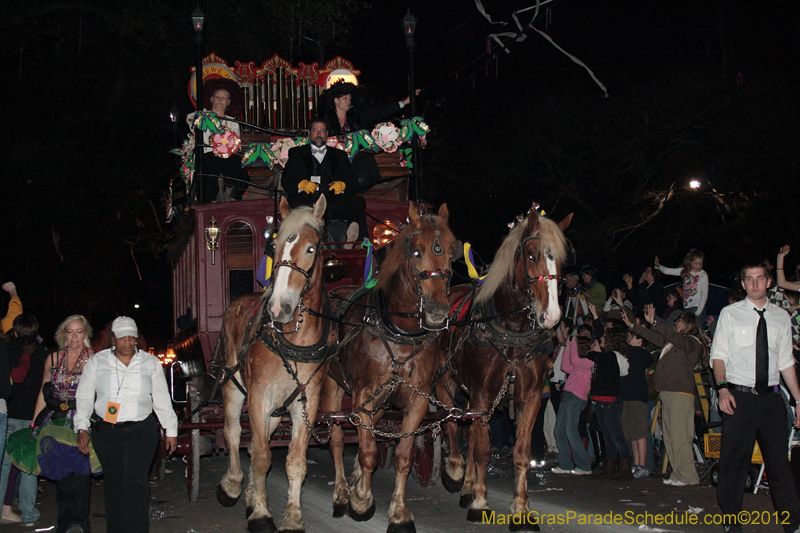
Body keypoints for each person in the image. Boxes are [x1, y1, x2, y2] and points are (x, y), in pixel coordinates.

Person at [710, 263, 800, 533]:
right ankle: (731, 521)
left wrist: (798, 399)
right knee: (734, 462)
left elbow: (786, 361)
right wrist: (722, 388)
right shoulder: (730, 314)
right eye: (749, 279)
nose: (755, 283)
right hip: (739, 397)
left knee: (778, 464)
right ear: (743, 284)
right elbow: (718, 356)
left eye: (760, 278)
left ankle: (793, 523)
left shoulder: (781, 317)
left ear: (769, 282)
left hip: (772, 401)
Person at [74, 317, 178, 533]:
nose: (127, 343)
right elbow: (84, 397)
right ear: (114, 338)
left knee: (137, 484)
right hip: (107, 432)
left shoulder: (150, 362)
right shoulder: (98, 362)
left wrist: (171, 430)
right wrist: (82, 428)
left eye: (131, 338)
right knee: (115, 484)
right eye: (122, 338)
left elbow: (161, 398)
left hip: (141, 431)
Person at [625, 304, 704, 486]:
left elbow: (671, 336)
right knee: (669, 436)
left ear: (688, 324)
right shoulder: (673, 343)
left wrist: (655, 322)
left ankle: (689, 476)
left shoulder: (692, 342)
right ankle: (678, 473)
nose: (675, 323)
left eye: (679, 321)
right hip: (667, 393)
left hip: (680, 394)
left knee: (680, 436)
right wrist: (633, 327)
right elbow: (654, 336)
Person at [31, 315, 95, 533]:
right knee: (62, 474)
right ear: (63, 334)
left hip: (83, 420)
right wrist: (35, 421)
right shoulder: (54, 358)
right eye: (70, 331)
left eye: (79, 331)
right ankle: (66, 523)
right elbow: (44, 390)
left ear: (85, 333)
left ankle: (79, 522)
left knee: (80, 473)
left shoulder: (94, 358)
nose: (74, 336)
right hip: (56, 420)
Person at [281, 117, 367, 243]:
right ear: (309, 133)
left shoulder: (339, 155)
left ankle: (358, 241)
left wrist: (343, 186)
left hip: (332, 202)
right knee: (294, 205)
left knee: (357, 202)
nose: (319, 134)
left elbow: (353, 183)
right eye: (315, 130)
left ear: (327, 134)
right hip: (306, 202)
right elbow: (286, 180)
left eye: (322, 131)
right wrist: (301, 185)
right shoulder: (296, 153)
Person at [324, 81, 417, 192]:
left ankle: (355, 188)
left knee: (367, 159)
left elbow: (379, 113)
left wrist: (404, 102)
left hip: (353, 157)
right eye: (345, 98)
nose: (348, 102)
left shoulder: (355, 118)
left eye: (349, 99)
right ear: (336, 100)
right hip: (335, 158)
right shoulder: (325, 119)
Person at [0, 314, 46, 526]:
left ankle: (5, 509)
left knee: (6, 467)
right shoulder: (43, 354)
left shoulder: (8, 349)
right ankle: (28, 515)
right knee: (29, 466)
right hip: (31, 416)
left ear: (15, 331)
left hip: (9, 413)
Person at [187, 77, 251, 202]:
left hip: (227, 156)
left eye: (224, 98)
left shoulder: (233, 123)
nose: (220, 100)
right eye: (217, 97)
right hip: (208, 154)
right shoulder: (203, 118)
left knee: (238, 163)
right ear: (212, 99)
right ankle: (213, 197)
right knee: (209, 163)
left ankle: (231, 194)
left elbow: (235, 144)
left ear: (228, 102)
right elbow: (190, 121)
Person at [585, 327, 631, 479]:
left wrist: (595, 351)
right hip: (602, 401)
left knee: (616, 436)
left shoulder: (611, 356)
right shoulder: (609, 356)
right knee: (608, 437)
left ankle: (625, 469)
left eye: (604, 338)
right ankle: (609, 467)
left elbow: (593, 355)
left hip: (609, 401)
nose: (601, 340)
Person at [552, 330, 595, 475]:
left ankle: (584, 465)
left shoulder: (590, 362)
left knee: (571, 431)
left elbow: (575, 361)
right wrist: (567, 348)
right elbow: (566, 367)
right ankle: (565, 464)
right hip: (569, 396)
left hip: (576, 397)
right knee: (559, 431)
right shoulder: (580, 365)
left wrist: (572, 343)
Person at [619, 329, 652, 478]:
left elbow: (648, 360)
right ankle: (636, 463)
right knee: (632, 433)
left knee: (640, 432)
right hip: (627, 397)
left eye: (630, 337)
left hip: (637, 397)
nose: (628, 340)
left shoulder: (642, 353)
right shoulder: (629, 353)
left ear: (639, 340)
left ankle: (643, 465)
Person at [655, 249, 708, 317]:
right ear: (689, 262)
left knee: (695, 327)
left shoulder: (703, 275)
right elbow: (668, 271)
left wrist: (698, 311)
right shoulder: (685, 271)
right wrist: (658, 266)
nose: (699, 266)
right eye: (696, 263)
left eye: (700, 264)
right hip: (686, 307)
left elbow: (704, 294)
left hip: (696, 306)